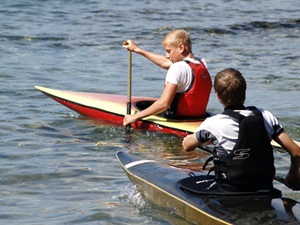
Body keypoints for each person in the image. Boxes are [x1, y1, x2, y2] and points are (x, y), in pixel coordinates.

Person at [182, 68, 300, 195]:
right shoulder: (265, 115)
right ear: (244, 91)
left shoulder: (213, 123)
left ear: (217, 95)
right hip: (264, 188)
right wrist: (292, 175)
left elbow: (187, 146)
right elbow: (296, 152)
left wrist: (194, 139)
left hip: (229, 191)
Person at [123, 29, 212, 126]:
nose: (167, 56)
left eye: (168, 51)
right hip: (198, 118)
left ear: (181, 47)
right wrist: (137, 49)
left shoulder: (177, 67)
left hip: (176, 118)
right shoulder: (202, 63)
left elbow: (164, 104)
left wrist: (136, 117)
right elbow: (165, 63)